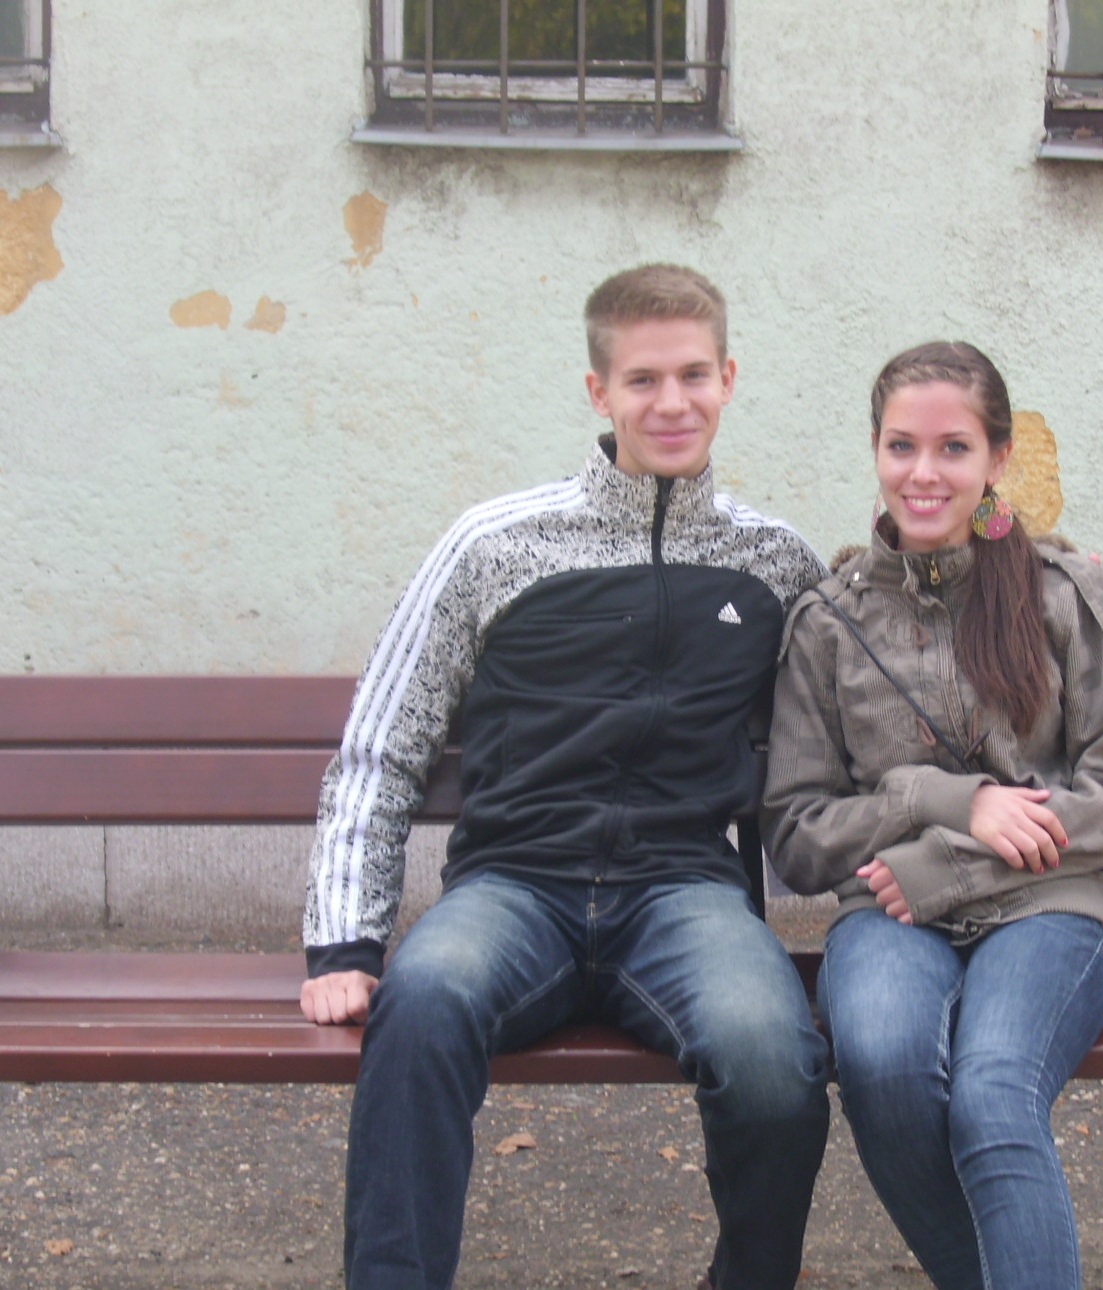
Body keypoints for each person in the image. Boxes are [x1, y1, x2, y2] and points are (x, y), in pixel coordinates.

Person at [300, 264, 832, 1290]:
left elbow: (854, 710)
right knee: (422, 1005)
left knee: (775, 1058)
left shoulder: (774, 563)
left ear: (728, 379)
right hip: (514, 889)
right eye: (642, 380)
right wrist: (344, 941)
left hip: (682, 894)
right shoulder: (495, 543)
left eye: (692, 376)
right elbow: (382, 745)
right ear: (598, 392)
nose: (670, 403)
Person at [763, 341, 1103, 1290]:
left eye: (953, 448)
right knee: (883, 1065)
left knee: (993, 1095)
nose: (924, 473)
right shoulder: (829, 622)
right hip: (885, 915)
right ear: (874, 450)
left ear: (996, 459)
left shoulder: (1054, 596)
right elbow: (797, 834)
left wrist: (948, 864)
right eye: (902, 446)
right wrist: (939, 800)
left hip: (1044, 910)